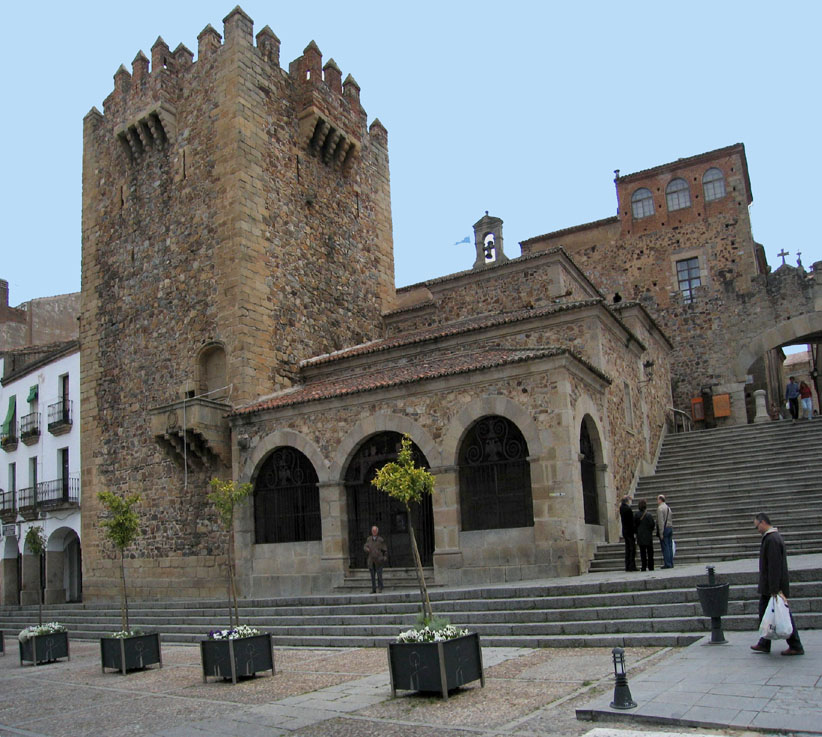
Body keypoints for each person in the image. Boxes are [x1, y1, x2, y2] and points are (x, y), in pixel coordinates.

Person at [750, 512, 804, 656]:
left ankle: (794, 644)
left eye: (757, 527)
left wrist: (775, 589)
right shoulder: (772, 538)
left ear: (762, 523)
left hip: (771, 587)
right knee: (770, 613)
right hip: (770, 586)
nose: (757, 530)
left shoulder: (772, 539)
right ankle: (765, 642)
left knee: (779, 614)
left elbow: (774, 566)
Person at [363, 525, 388, 593]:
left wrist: (384, 557)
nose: (374, 532)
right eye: (373, 531)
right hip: (371, 560)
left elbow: (385, 549)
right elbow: (365, 546)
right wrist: (366, 549)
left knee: (379, 575)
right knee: (372, 576)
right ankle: (373, 589)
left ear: (377, 531)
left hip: (379, 560)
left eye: (375, 531)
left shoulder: (380, 540)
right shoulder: (369, 539)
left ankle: (380, 588)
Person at [634, 499, 656, 571]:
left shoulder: (636, 515)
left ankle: (643, 566)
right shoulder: (649, 515)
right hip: (648, 536)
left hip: (640, 536)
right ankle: (651, 566)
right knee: (650, 552)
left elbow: (634, 526)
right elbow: (652, 525)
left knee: (642, 552)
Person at [619, 495, 637, 572]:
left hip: (625, 531)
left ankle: (628, 565)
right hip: (629, 531)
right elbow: (631, 522)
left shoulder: (621, 508)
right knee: (632, 549)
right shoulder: (628, 509)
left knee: (628, 549)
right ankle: (631, 566)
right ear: (627, 501)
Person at [656, 494, 674, 568]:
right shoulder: (668, 508)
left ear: (660, 500)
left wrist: (661, 533)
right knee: (669, 546)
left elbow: (661, 522)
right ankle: (671, 562)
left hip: (665, 529)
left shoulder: (660, 509)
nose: (657, 501)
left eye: (657, 499)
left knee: (665, 547)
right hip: (670, 527)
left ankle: (667, 563)